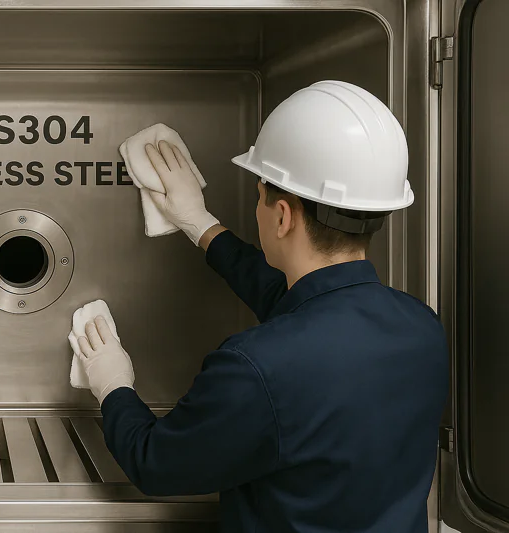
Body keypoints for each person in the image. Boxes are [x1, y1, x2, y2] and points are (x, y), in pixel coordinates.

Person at [74, 81, 448, 532]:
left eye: (259, 196)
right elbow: (299, 303)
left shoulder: (254, 366)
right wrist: (200, 224)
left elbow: (156, 464)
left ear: (282, 216)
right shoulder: (421, 326)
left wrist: (113, 385)